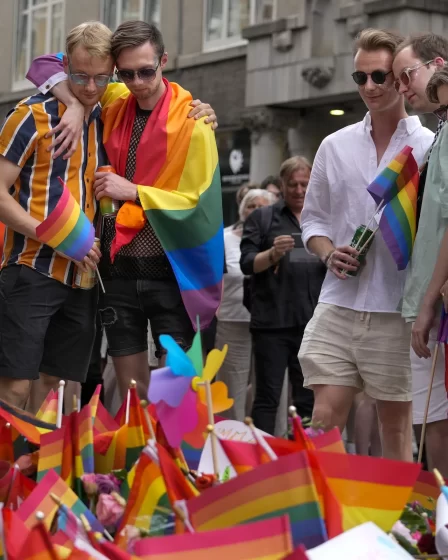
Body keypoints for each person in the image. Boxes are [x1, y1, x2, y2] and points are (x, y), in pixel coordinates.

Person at [27, 21, 221, 402]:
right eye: (127, 73)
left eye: (146, 71)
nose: (137, 82)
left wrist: (133, 191)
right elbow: (43, 64)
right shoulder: (113, 98)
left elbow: (197, 204)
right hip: (116, 274)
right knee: (133, 397)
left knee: (175, 398)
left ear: (164, 61)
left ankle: (173, 463)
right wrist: (72, 106)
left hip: (172, 276)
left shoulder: (194, 121)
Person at [298, 28, 433, 461]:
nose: (370, 87)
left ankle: (398, 525)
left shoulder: (428, 145)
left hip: (398, 309)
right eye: (360, 78)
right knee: (324, 416)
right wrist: (326, 252)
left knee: (395, 426)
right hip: (338, 302)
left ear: (400, 78)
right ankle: (324, 514)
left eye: (379, 76)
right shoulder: (333, 145)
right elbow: (313, 219)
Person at [0, 22, 110, 410]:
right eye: (80, 76)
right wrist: (54, 235)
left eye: (101, 78)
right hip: (30, 269)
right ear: (65, 65)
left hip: (82, 278)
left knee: (54, 391)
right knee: (13, 386)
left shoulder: (108, 116)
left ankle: (34, 470)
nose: (91, 87)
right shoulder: (29, 116)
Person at [393, 34, 448, 474]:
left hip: (439, 297)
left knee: (436, 414)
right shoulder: (439, 133)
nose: (401, 88)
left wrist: (431, 298)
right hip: (430, 291)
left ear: (438, 64)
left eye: (405, 75)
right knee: (432, 413)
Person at [240, 156, 323, 435]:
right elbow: (247, 264)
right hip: (271, 324)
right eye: (292, 185)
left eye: (304, 184)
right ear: (281, 185)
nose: (299, 191)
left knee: (308, 401)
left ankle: (305, 455)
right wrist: (272, 254)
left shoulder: (322, 218)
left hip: (311, 325)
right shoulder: (262, 218)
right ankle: (261, 458)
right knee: (267, 398)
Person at [216, 188, 275, 421]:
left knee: (269, 388)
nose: (256, 211)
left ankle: (272, 442)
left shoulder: (279, 240)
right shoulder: (224, 239)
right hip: (232, 320)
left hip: (271, 323)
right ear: (242, 210)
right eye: (251, 206)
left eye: (262, 207)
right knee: (231, 389)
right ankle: (231, 444)